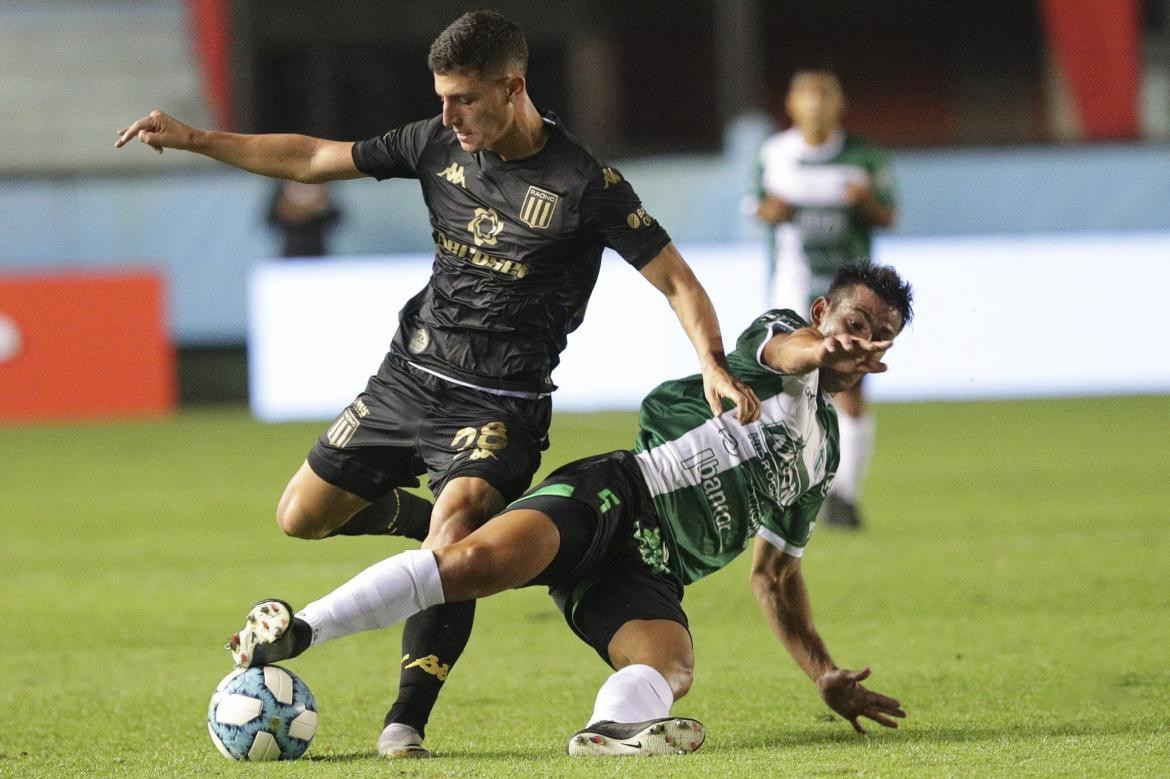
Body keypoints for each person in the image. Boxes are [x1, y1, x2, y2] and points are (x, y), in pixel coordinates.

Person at [116, 10, 759, 758]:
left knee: (452, 545)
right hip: (408, 378)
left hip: (500, 406)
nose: (447, 115)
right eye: (442, 98)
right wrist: (196, 139)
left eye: (463, 99)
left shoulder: (585, 183)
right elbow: (313, 159)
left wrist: (712, 358)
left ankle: (406, 720)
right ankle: (419, 525)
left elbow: (676, 279)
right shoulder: (433, 143)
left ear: (512, 87)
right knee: (301, 516)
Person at [227, 263, 912, 757]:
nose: (864, 340)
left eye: (881, 336)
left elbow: (775, 576)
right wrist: (822, 347)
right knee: (470, 561)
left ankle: (610, 732)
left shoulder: (823, 456)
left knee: (670, 665)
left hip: (654, 568)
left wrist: (823, 670)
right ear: (822, 312)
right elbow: (791, 351)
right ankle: (299, 631)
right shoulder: (779, 341)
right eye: (856, 322)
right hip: (618, 493)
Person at [748, 68, 896, 529]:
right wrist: (778, 207)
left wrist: (864, 201)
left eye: (824, 97)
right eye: (807, 97)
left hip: (852, 297)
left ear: (839, 105)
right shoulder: (774, 154)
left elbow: (887, 215)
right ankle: (791, 488)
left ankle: (845, 496)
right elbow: (758, 208)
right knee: (787, 389)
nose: (816, 106)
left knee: (850, 390)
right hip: (793, 288)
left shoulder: (862, 157)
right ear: (791, 105)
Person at [266, 180, 342, 257]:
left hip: (318, 251)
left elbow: (335, 218)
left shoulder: (323, 189)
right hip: (291, 251)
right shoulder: (282, 189)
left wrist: (319, 209)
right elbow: (271, 219)